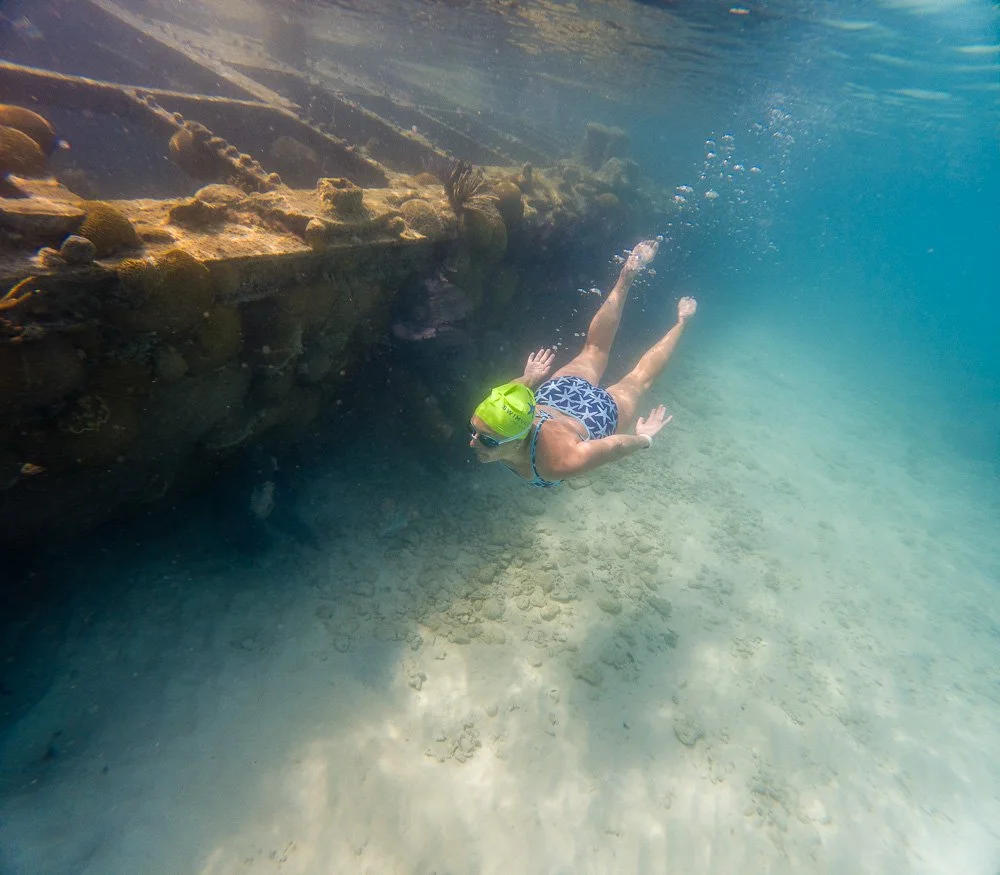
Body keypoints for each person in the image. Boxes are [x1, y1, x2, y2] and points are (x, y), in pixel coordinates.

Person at [468, 238, 697, 487]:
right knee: (595, 349)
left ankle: (681, 320)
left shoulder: (556, 463)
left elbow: (614, 447)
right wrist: (530, 379)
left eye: (487, 440)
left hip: (595, 417)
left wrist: (644, 439)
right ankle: (626, 278)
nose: (473, 442)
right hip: (557, 396)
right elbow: (509, 396)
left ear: (516, 441)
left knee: (639, 378)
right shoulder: (501, 423)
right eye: (475, 430)